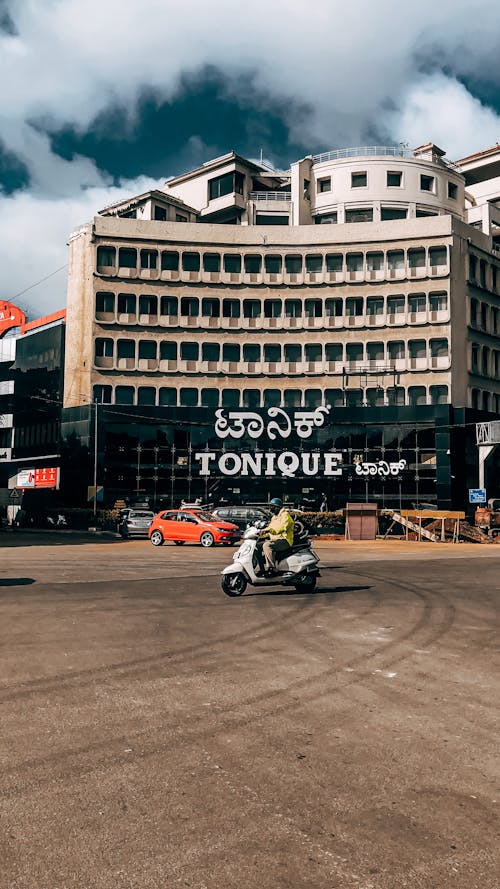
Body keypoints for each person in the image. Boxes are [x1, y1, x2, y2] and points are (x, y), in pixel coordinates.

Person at [261, 497, 294, 574]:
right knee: (257, 546)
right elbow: (270, 529)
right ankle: (262, 569)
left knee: (267, 545)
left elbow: (282, 528)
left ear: (277, 507)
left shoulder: (285, 515)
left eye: (272, 507)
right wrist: (261, 534)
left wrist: (270, 530)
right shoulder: (274, 517)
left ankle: (272, 568)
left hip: (284, 540)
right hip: (275, 540)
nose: (270, 508)